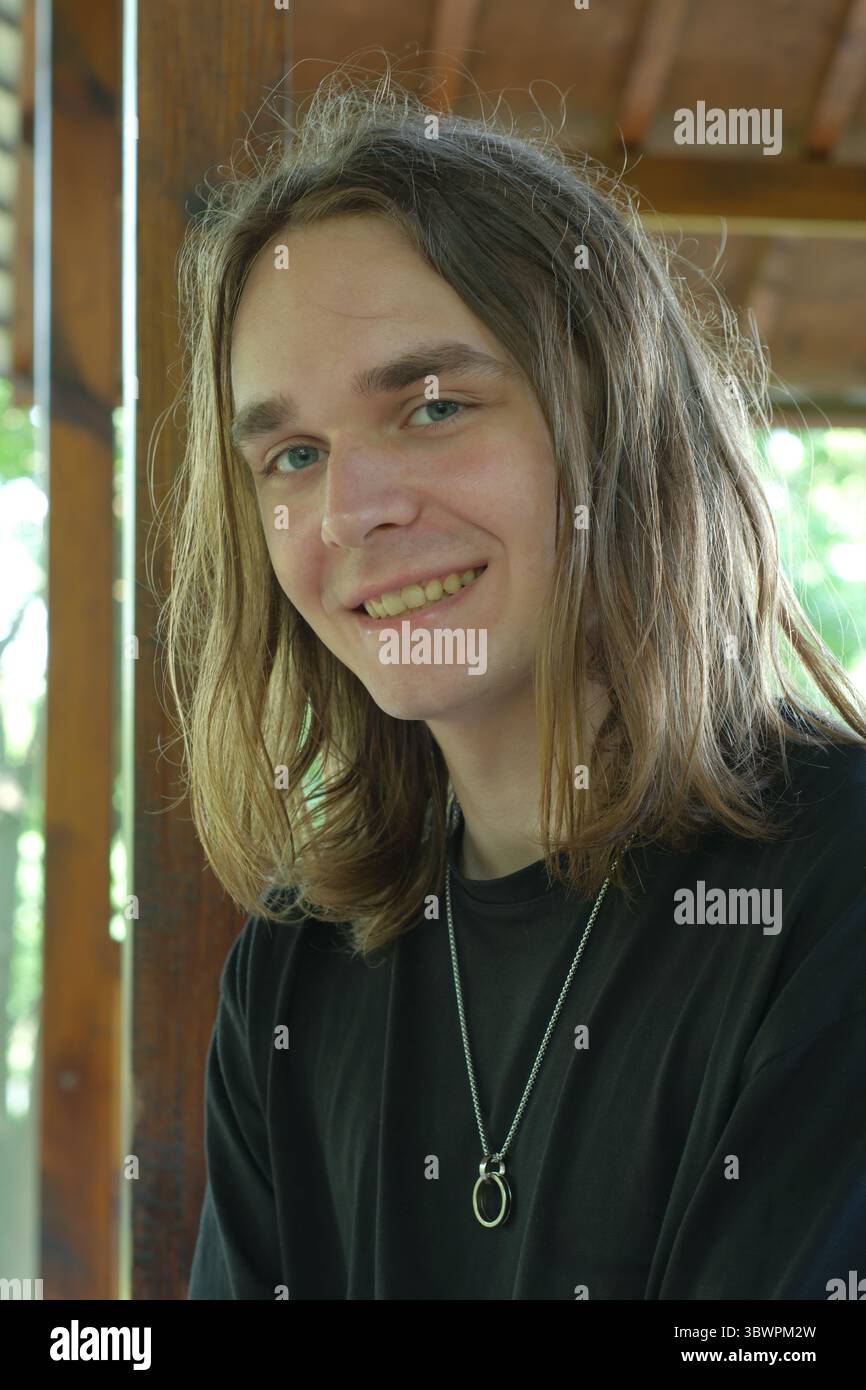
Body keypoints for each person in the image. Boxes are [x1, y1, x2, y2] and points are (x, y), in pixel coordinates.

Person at [158, 65, 866, 1299]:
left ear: (613, 419)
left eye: (431, 407)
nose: (348, 512)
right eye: (293, 452)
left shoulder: (834, 886)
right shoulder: (293, 971)